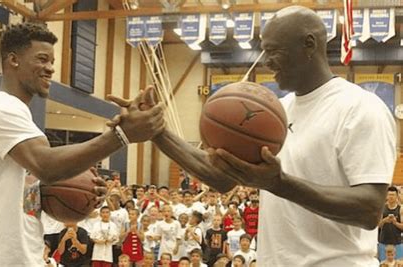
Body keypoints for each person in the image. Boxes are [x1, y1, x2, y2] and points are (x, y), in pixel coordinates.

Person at [107, 5, 395, 267]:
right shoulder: (278, 112)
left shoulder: (361, 108)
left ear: (309, 44)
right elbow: (222, 177)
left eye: (274, 51)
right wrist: (158, 132)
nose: (267, 62)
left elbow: (369, 210)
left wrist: (279, 184)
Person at [0, 22, 165, 266]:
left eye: (52, 62)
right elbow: (46, 166)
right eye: (42, 59)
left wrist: (84, 193)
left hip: (23, 258)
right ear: (13, 60)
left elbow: (28, 195)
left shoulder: (21, 117)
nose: (50, 69)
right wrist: (121, 134)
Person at [379, 186, 403, 261]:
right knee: (383, 264)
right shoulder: (382, 208)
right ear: (386, 196)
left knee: (398, 264)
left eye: (393, 195)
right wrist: (384, 220)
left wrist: (395, 223)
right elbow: (377, 226)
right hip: (383, 242)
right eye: (389, 195)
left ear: (396, 196)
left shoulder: (401, 209)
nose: (391, 197)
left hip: (397, 242)